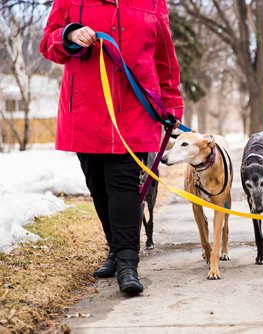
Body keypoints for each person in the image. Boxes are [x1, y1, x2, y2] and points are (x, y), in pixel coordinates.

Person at [40, 0, 183, 295]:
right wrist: (68, 35)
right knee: (98, 186)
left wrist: (172, 106)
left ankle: (128, 263)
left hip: (136, 109)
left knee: (124, 184)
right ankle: (116, 251)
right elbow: (48, 43)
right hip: (85, 111)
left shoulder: (154, 4)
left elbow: (165, 59)